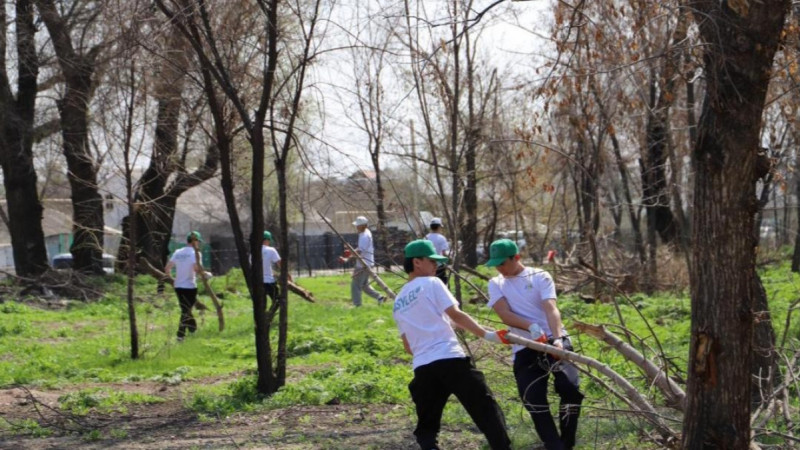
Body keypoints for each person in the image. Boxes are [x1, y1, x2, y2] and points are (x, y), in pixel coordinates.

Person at [393, 239, 513, 450]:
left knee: (427, 427)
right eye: (432, 261)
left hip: (422, 368)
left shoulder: (399, 300)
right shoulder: (432, 283)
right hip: (450, 359)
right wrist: (488, 335)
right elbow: (456, 314)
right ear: (417, 262)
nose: (436, 266)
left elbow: (408, 347)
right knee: (486, 410)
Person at [485, 238, 584, 450]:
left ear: (516, 257)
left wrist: (557, 339)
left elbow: (551, 308)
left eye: (503, 263)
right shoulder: (496, 283)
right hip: (524, 345)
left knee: (570, 388)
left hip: (552, 337)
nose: (499, 268)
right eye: (496, 264)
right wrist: (530, 326)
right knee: (532, 396)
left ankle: (567, 443)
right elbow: (503, 313)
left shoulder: (539, 276)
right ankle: (553, 444)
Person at [164, 231, 203, 341]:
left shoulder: (178, 252)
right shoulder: (196, 253)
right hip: (190, 286)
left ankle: (193, 329)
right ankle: (180, 335)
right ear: (194, 241)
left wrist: (173, 279)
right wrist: (204, 274)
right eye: (198, 241)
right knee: (186, 310)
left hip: (178, 286)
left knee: (186, 309)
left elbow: (167, 268)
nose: (198, 244)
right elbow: (196, 269)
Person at [341, 216, 385, 306]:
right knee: (364, 285)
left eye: (358, 225)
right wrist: (350, 254)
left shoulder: (365, 236)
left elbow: (360, 251)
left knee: (355, 285)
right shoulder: (365, 233)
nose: (356, 227)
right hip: (367, 263)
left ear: (363, 225)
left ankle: (357, 305)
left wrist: (347, 258)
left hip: (363, 265)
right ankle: (379, 297)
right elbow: (360, 249)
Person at [261, 230, 292, 308]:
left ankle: (262, 318)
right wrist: (287, 275)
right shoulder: (271, 250)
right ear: (267, 240)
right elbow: (280, 263)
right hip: (268, 281)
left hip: (257, 282)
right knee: (277, 301)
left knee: (261, 305)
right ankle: (269, 317)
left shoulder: (253, 251)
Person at [425, 217, 450, 286]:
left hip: (428, 266)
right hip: (439, 266)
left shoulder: (426, 238)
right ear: (439, 227)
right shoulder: (441, 238)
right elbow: (444, 253)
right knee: (442, 285)